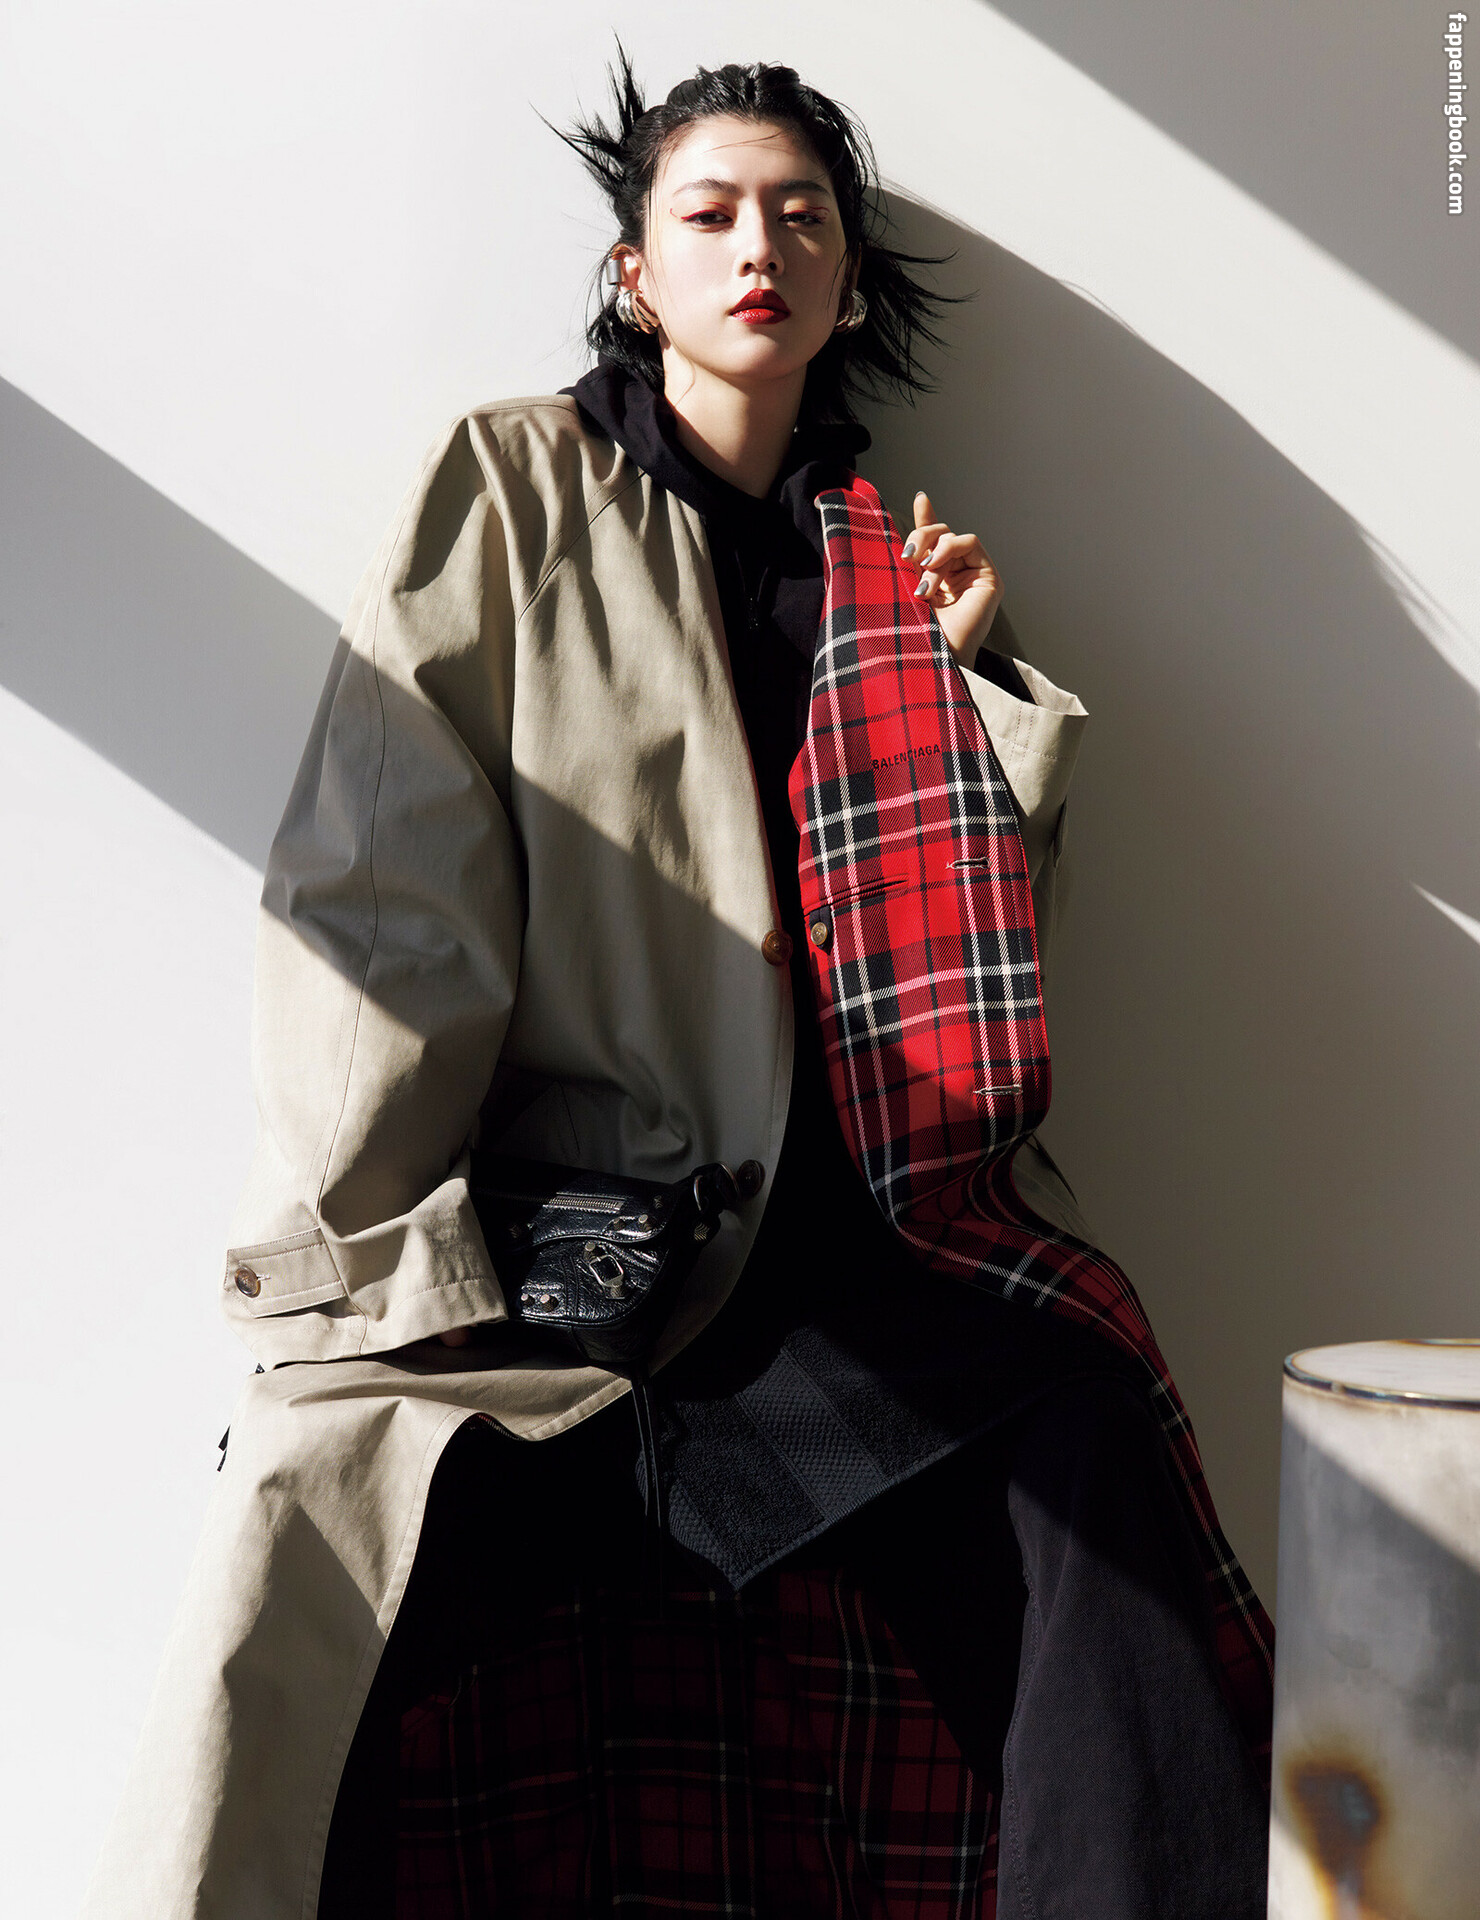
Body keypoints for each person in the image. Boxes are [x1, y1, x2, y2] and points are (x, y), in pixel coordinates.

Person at [81, 51, 1274, 1920]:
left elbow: (955, 975)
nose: (759, 248)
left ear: (849, 285)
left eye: (802, 217)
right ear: (635, 274)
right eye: (710, 213)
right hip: (580, 1260)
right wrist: (370, 1263)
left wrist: (970, 691)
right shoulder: (509, 484)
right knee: (323, 1548)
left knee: (1091, 1439)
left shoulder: (880, 561)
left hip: (850, 1260)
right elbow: (390, 890)